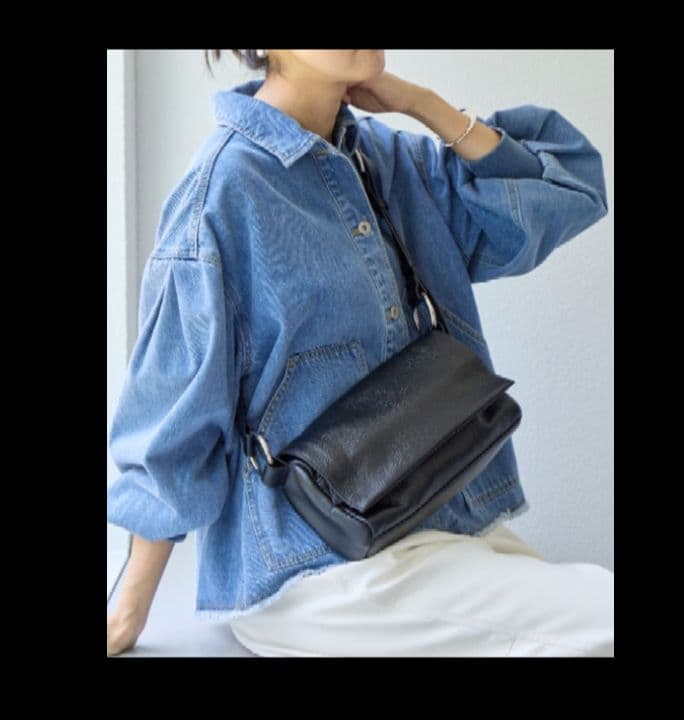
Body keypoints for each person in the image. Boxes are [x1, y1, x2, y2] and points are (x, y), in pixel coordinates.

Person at [106, 49, 612, 657]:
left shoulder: (389, 160)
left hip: (443, 528)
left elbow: (570, 188)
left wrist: (422, 104)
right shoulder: (220, 195)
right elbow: (173, 415)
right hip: (316, 569)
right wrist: (130, 606)